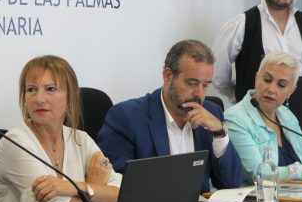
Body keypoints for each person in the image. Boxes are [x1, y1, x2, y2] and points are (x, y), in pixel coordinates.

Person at [97, 40, 244, 193]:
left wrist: (219, 133)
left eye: (205, 85)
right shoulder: (126, 117)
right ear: (168, 76)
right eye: (192, 83)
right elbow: (116, 187)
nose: (199, 94)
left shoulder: (211, 113)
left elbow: (231, 183)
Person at [0, 55, 121, 202]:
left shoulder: (80, 139)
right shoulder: (15, 142)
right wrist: (97, 186)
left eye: (50, 89)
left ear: (70, 97)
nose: (39, 99)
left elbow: (123, 196)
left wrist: (79, 187)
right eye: (31, 90)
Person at [224, 51, 302, 183]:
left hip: (300, 195)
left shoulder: (286, 115)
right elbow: (259, 174)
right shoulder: (235, 118)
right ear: (257, 78)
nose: (271, 89)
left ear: (291, 91)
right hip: (261, 199)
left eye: (281, 85)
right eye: (267, 80)